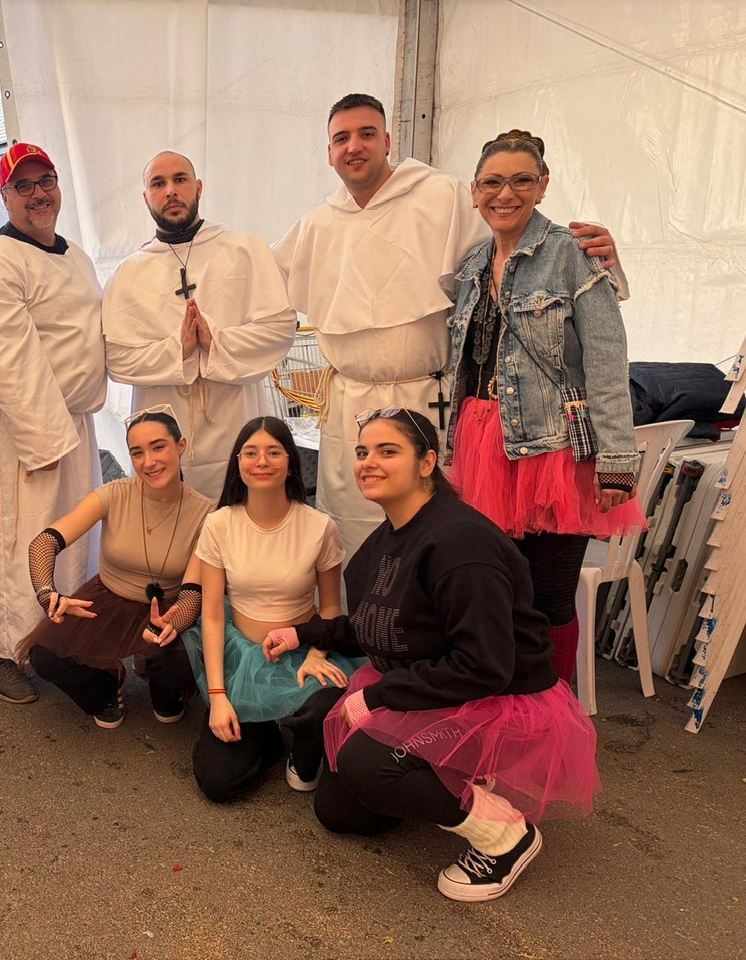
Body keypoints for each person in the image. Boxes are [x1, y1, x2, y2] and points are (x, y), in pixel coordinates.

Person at [264, 407, 599, 902]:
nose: (368, 462)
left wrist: (379, 696)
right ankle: (442, 777)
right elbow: (381, 625)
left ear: (426, 463)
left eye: (387, 451)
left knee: (366, 764)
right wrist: (303, 633)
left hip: (494, 697)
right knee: (342, 813)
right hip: (438, 682)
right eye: (362, 452)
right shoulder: (389, 535)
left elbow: (485, 666)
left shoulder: (459, 542)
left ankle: (505, 835)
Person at [273, 93, 623, 553]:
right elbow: (259, 290)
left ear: (387, 141)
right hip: (349, 407)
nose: (354, 146)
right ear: (329, 152)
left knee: (441, 536)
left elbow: (515, 259)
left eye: (366, 134)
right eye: (342, 138)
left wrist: (601, 259)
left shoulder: (440, 194)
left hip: (429, 398)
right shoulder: (315, 224)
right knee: (357, 535)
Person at [445, 131, 644, 682]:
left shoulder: (573, 255)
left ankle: (552, 710)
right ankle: (507, 700)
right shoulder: (471, 265)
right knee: (496, 590)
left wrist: (617, 461)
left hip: (553, 451)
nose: (505, 193)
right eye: (492, 182)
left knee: (549, 598)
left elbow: (607, 363)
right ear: (474, 191)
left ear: (543, 186)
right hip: (481, 447)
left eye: (521, 180)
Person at [0, 142, 107, 705]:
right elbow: (8, 358)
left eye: (46, 181)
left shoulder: (77, 258)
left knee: (73, 539)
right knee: (24, 536)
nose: (38, 194)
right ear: (5, 197)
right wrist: (43, 440)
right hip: (29, 428)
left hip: (74, 423)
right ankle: (8, 651)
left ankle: (60, 640)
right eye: (23, 186)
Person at [183, 416, 362, 802]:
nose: (261, 461)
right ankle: (266, 734)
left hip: (303, 649)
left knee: (325, 703)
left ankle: (304, 749)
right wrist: (218, 696)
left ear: (291, 463)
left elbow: (331, 605)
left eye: (273, 452)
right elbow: (211, 613)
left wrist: (317, 654)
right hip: (241, 655)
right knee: (218, 782)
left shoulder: (319, 526)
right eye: (251, 453)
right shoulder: (218, 524)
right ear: (238, 463)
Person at [102, 151, 297, 500]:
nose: (170, 191)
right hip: (163, 432)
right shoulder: (128, 273)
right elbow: (117, 359)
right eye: (158, 184)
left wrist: (216, 343)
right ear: (145, 197)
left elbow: (279, 330)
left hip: (234, 418)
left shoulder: (246, 250)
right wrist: (178, 351)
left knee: (239, 516)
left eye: (180, 179)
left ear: (199, 187)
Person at [21, 408, 215, 727]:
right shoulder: (112, 495)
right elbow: (44, 542)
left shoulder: (206, 513)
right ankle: (105, 689)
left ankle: (165, 692)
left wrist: (171, 624)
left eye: (158, 447)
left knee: (180, 662)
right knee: (46, 656)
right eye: (137, 453)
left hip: (167, 606)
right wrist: (47, 594)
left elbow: (193, 593)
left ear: (181, 446)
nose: (149, 462)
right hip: (109, 597)